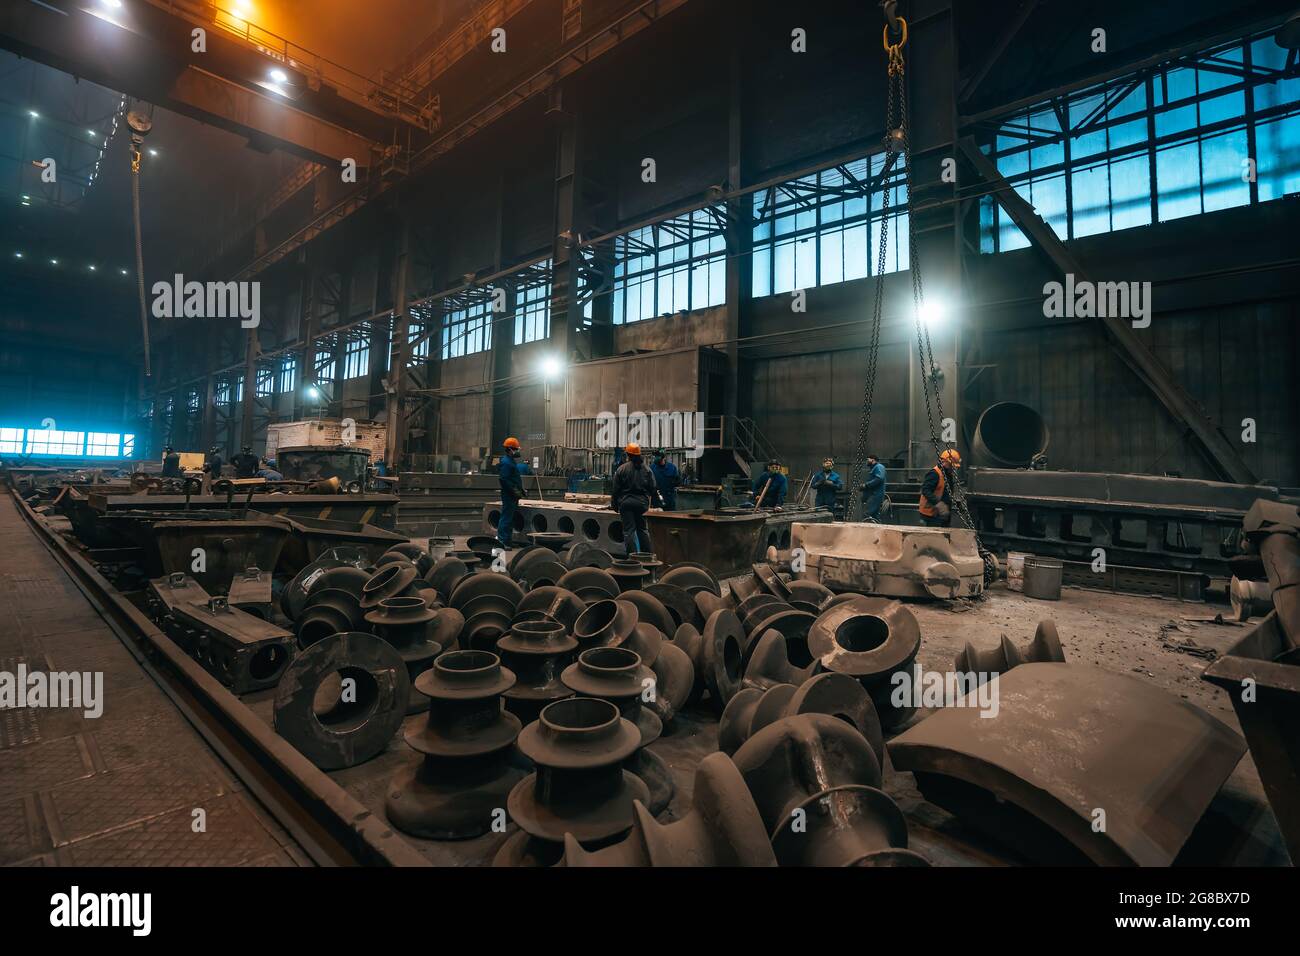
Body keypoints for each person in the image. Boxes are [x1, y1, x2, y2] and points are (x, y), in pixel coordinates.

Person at [611, 442, 662, 556]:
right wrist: (656, 503)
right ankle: (647, 556)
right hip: (642, 504)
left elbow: (615, 490)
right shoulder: (647, 470)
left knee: (629, 531)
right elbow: (653, 488)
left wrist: (614, 504)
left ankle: (632, 558)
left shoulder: (621, 469)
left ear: (628, 454)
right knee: (642, 530)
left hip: (626, 504)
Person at [919, 449, 961, 527]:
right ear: (944, 462)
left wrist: (954, 502)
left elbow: (945, 492)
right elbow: (925, 490)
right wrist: (938, 503)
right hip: (931, 515)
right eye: (951, 465)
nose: (953, 468)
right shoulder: (934, 474)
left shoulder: (948, 475)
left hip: (941, 514)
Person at [497, 437, 526, 549]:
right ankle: (502, 542)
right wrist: (514, 491)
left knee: (510, 518)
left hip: (512, 494)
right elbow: (504, 479)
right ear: (510, 449)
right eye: (516, 449)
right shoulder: (506, 462)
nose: (518, 451)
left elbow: (513, 479)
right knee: (506, 518)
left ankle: (508, 541)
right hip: (509, 495)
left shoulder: (510, 461)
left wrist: (520, 490)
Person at [862, 453, 888, 521]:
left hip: (876, 495)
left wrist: (866, 485)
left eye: (868, 460)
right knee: (874, 516)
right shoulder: (874, 468)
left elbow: (879, 478)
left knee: (867, 514)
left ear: (873, 460)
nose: (867, 462)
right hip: (874, 494)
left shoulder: (879, 467)